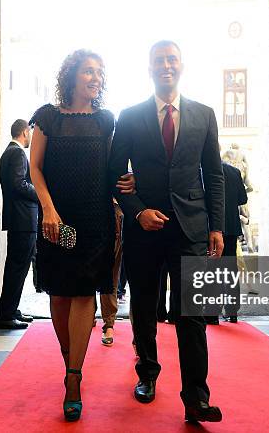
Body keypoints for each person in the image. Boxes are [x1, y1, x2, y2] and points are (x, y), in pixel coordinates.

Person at [109, 40, 225, 423]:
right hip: (145, 230)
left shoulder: (204, 115)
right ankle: (147, 374)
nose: (166, 66)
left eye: (172, 59)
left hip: (192, 228)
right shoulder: (129, 116)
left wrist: (217, 226)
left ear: (182, 65)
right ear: (149, 68)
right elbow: (113, 176)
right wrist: (138, 211)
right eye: (159, 60)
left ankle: (196, 398)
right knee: (143, 305)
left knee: (192, 313)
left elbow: (214, 175)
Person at [29, 49, 134, 422]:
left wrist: (129, 183)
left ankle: (73, 376)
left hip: (95, 219)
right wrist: (49, 209)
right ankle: (70, 359)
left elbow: (113, 171)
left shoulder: (106, 120)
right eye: (89, 71)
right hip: (56, 219)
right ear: (72, 75)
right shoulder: (47, 118)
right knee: (60, 292)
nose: (95, 78)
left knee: (85, 290)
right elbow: (35, 169)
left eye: (100, 73)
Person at [0, 119, 37, 329]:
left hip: (18, 219)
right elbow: (19, 183)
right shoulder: (18, 153)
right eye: (29, 132)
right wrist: (41, 195)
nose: (31, 136)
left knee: (17, 267)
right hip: (23, 219)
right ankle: (5, 316)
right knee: (17, 268)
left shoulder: (8, 153)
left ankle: (11, 310)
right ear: (24, 131)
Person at [206, 161, 247, 325]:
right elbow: (242, 199)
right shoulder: (234, 171)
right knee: (230, 270)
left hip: (210, 228)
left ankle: (211, 313)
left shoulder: (203, 168)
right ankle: (232, 312)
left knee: (212, 271)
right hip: (230, 227)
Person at [98, 201, 124, 346]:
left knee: (139, 279)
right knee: (108, 274)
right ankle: (107, 324)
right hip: (107, 210)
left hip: (133, 210)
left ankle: (140, 335)